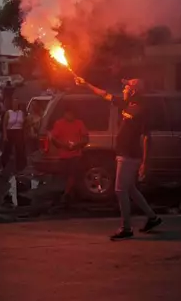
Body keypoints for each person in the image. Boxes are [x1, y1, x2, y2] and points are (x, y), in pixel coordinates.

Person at [75, 76, 162, 240]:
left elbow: (146, 137)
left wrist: (145, 162)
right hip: (123, 153)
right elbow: (104, 94)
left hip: (130, 155)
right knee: (130, 190)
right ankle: (153, 217)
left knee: (120, 190)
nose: (123, 89)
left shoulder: (142, 109)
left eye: (126, 87)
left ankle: (126, 228)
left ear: (133, 90)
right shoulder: (126, 103)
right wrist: (86, 84)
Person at [50, 105, 89, 204]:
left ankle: (67, 195)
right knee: (65, 176)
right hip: (63, 155)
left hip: (76, 155)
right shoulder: (59, 124)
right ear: (65, 114)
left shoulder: (79, 123)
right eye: (68, 114)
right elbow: (53, 138)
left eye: (72, 114)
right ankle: (69, 194)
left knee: (73, 175)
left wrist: (77, 145)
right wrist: (63, 145)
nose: (70, 116)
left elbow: (86, 138)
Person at [0, 98, 28, 175]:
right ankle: (2, 167)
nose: (15, 104)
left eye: (16, 103)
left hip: (19, 132)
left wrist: (24, 134)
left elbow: (24, 124)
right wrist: (5, 135)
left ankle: (20, 168)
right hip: (10, 132)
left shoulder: (21, 113)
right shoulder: (8, 112)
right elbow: (4, 125)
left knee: (20, 150)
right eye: (14, 103)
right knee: (7, 151)